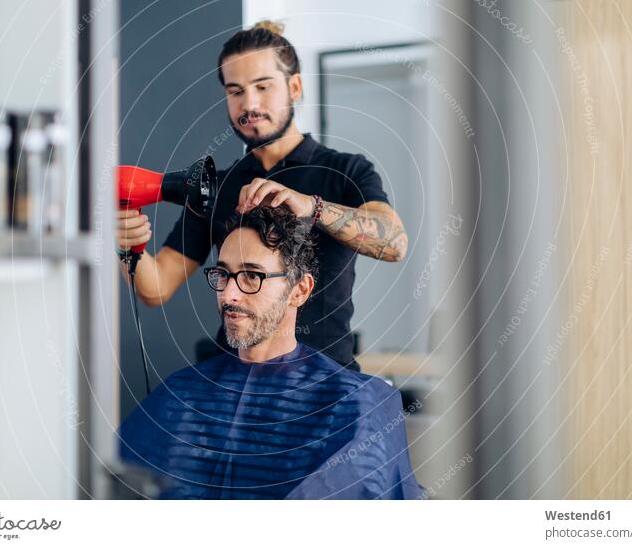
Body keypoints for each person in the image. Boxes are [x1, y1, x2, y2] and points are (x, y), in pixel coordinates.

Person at [116, 20, 408, 369]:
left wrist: (311, 207)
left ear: (295, 86)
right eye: (235, 91)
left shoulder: (346, 171)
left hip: (324, 384)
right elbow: (157, 286)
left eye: (263, 87)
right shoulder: (215, 187)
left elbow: (394, 243)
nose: (249, 104)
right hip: (233, 380)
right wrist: (127, 245)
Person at [117, 206, 423, 499]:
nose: (229, 294)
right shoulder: (179, 394)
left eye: (252, 275)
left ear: (299, 290)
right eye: (223, 274)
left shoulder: (355, 404)